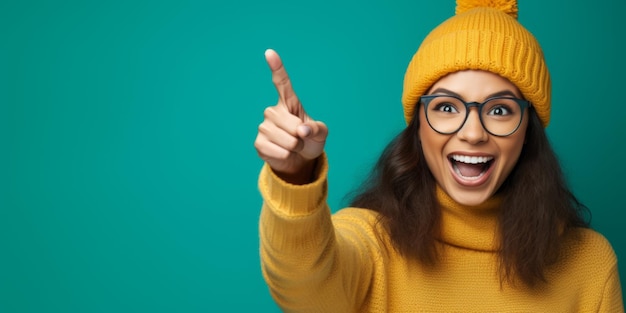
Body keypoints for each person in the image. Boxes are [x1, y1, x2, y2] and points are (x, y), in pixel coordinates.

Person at [254, 0, 624, 311]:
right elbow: (304, 290)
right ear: (418, 127)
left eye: (499, 110)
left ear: (528, 130)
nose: (473, 133)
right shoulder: (370, 242)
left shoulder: (588, 264)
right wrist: (295, 175)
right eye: (447, 107)